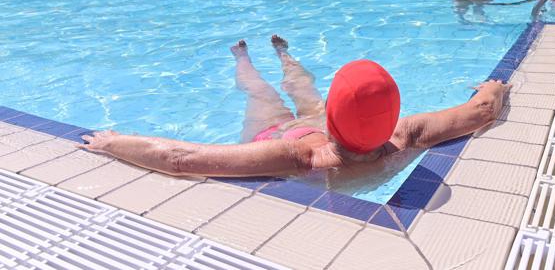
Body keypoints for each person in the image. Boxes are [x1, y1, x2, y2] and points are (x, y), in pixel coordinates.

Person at [79, 35, 509, 178]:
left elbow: (179, 158)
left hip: (286, 133)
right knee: (302, 96)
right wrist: (495, 85)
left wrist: (113, 142)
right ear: (393, 113)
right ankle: (279, 55)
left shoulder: (300, 156)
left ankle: (245, 58)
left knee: (265, 95)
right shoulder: (405, 133)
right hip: (323, 125)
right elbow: (481, 111)